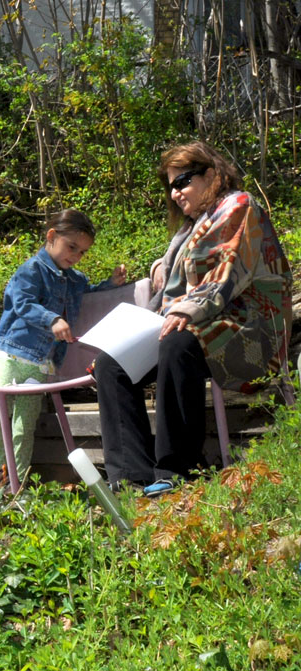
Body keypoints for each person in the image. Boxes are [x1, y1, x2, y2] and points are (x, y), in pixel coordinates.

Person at [95, 141, 292, 496]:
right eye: (170, 186)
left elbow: (228, 269)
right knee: (112, 363)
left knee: (178, 341)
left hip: (248, 325)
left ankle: (177, 472)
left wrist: (184, 310)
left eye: (183, 180)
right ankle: (128, 480)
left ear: (212, 175)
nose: (175, 192)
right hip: (201, 323)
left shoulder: (239, 205)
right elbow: (173, 291)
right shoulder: (189, 228)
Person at [0, 210, 126, 484]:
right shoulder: (31, 270)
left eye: (82, 252)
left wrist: (111, 284)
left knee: (23, 427)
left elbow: (87, 298)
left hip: (41, 363)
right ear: (52, 236)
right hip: (12, 353)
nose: (75, 256)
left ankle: (16, 484)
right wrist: (52, 319)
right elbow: (23, 303)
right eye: (71, 247)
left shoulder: (75, 280)